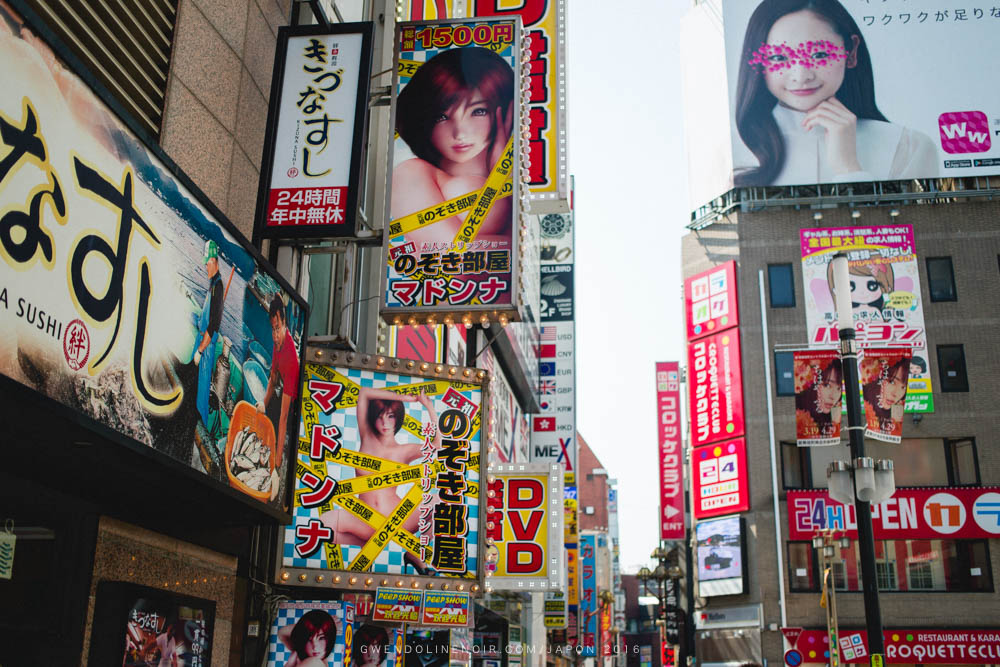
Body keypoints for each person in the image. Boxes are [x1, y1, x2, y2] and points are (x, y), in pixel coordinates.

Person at [733, 0, 935, 186]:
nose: (801, 76)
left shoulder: (908, 146)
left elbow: (911, 224)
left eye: (819, 54)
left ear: (852, 52)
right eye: (778, 57)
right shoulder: (734, 154)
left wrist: (848, 167)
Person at [391, 47, 514, 245]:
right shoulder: (409, 173)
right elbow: (448, 253)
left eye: (478, 111)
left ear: (504, 110)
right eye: (441, 116)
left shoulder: (509, 173)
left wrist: (503, 166)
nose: (460, 133)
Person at [319, 387, 441, 555]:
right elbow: (364, 393)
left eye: (391, 416)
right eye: (380, 416)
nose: (385, 423)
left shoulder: (404, 451)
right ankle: (371, 542)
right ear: (373, 418)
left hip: (396, 520)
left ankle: (414, 553)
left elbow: (437, 446)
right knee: (322, 524)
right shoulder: (367, 438)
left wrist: (429, 407)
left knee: (440, 502)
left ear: (398, 418)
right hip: (363, 519)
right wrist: (404, 397)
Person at [257, 295, 300, 468]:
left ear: (285, 324)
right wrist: (262, 404)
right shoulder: (277, 343)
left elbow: (283, 418)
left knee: (282, 425)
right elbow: (273, 378)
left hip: (296, 406)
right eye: (272, 329)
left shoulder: (290, 358)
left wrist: (277, 460)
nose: (275, 335)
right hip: (284, 389)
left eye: (278, 328)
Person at [194, 239, 224, 432]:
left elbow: (213, 325)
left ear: (215, 261)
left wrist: (200, 350)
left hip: (206, 345)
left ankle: (201, 428)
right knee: (197, 386)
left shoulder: (218, 287)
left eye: (208, 261)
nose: (205, 265)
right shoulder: (212, 284)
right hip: (201, 338)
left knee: (203, 391)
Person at [826, 259, 894, 322]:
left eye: (872, 286)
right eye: (850, 287)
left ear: (886, 287)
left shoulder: (876, 311)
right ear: (835, 290)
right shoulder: (846, 313)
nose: (862, 292)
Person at [795, 357, 843, 440]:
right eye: (827, 385)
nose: (833, 396)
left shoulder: (833, 423)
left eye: (839, 388)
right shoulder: (798, 418)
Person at [862, 356, 909, 434]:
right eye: (892, 382)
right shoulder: (865, 395)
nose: (895, 394)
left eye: (903, 387)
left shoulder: (897, 412)